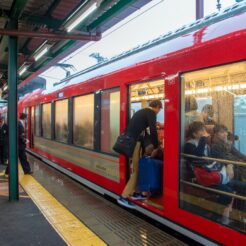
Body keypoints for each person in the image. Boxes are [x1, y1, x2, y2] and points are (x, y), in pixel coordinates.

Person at [117, 100, 163, 209]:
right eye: (159, 109)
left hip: (132, 142)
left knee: (138, 168)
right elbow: (152, 130)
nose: (158, 112)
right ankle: (123, 197)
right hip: (135, 143)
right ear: (156, 107)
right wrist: (156, 146)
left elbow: (145, 132)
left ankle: (136, 193)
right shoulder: (151, 112)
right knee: (137, 170)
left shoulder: (142, 112)